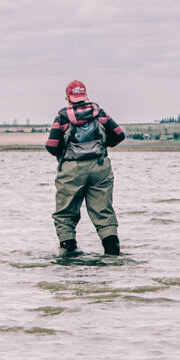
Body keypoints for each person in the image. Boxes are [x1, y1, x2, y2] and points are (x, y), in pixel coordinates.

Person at [45, 80, 126, 256]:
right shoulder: (100, 113)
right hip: (100, 167)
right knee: (103, 213)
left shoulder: (62, 117)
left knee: (65, 214)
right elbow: (120, 134)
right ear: (85, 95)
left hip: (71, 170)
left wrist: (64, 154)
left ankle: (69, 256)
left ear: (68, 97)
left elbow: (51, 146)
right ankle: (113, 255)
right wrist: (104, 145)